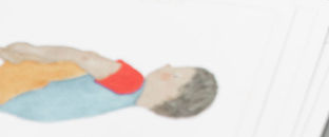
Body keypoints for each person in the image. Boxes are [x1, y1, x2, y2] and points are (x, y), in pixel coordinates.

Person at [0, 42, 217, 121]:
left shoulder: (131, 82)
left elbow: (85, 58)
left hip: (18, 86)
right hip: (19, 103)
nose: (167, 67)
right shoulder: (119, 104)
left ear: (171, 95)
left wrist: (34, 50)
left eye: (175, 75)